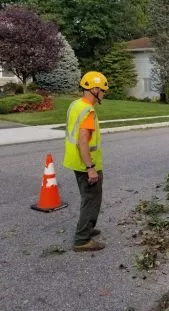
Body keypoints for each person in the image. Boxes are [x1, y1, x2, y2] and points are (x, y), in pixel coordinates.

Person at [63, 71, 108, 252]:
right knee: (91, 200)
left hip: (76, 161)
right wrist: (91, 168)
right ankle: (82, 239)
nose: (103, 94)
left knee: (88, 198)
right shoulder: (88, 111)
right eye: (103, 90)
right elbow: (83, 141)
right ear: (95, 89)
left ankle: (87, 228)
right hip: (86, 164)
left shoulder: (76, 104)